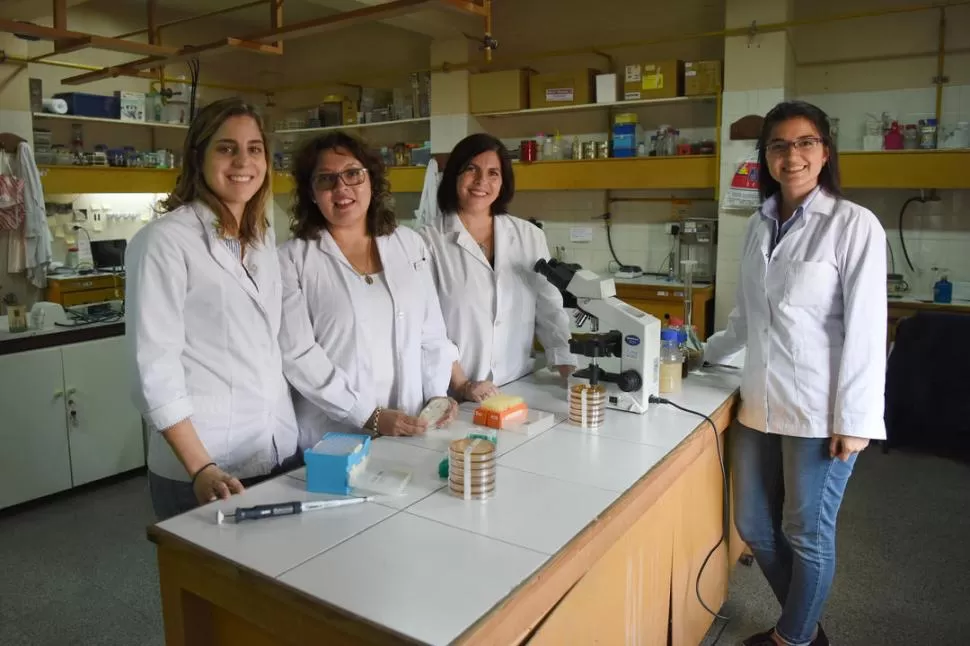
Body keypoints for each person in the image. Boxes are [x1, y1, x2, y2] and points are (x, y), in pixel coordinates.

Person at [704, 101, 887, 646]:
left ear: (824, 152)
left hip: (819, 410)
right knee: (755, 527)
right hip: (758, 403)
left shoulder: (854, 226)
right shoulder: (759, 226)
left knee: (807, 534)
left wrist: (855, 420)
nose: (793, 155)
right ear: (766, 157)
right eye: (779, 145)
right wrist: (702, 352)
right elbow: (745, 317)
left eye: (805, 143)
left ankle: (795, 638)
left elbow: (868, 331)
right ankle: (804, 624)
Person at [126, 98, 300, 521]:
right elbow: (153, 368)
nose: (243, 161)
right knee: (210, 586)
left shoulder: (259, 241)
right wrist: (200, 466)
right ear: (197, 157)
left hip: (274, 448)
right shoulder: (164, 242)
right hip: (207, 469)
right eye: (226, 148)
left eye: (254, 148)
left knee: (275, 582)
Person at [278, 132, 458, 445]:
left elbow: (431, 334)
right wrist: (367, 415)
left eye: (352, 173)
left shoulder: (409, 244)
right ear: (310, 193)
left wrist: (437, 396)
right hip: (334, 436)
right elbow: (298, 355)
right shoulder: (290, 260)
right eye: (326, 179)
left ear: (371, 180)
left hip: (412, 425)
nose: (341, 188)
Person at [421, 133, 576, 403]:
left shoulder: (529, 236)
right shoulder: (427, 241)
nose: (482, 181)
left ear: (503, 182)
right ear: (454, 176)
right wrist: (462, 384)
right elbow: (425, 327)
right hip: (452, 396)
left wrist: (570, 372)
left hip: (514, 388)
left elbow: (550, 310)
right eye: (471, 169)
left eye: (493, 173)